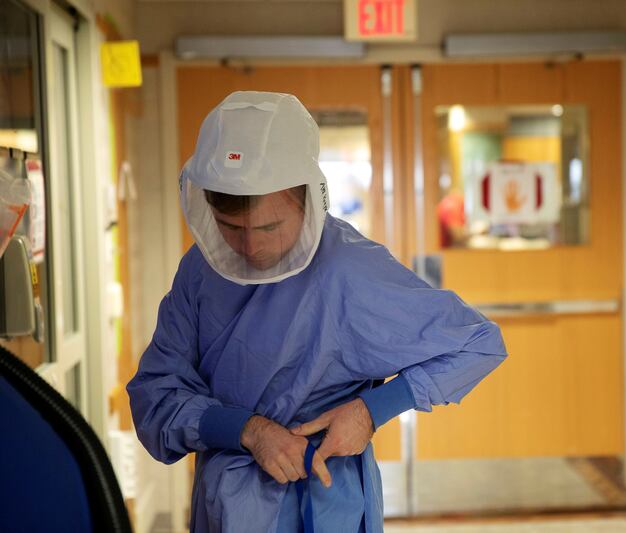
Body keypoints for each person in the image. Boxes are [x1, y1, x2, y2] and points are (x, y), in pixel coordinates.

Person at [127, 91, 507, 533]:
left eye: (270, 227)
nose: (251, 247)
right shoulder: (200, 270)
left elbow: (478, 344)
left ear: (307, 201)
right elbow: (155, 395)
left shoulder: (348, 269)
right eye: (231, 228)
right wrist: (245, 429)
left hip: (326, 505)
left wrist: (370, 410)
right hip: (227, 509)